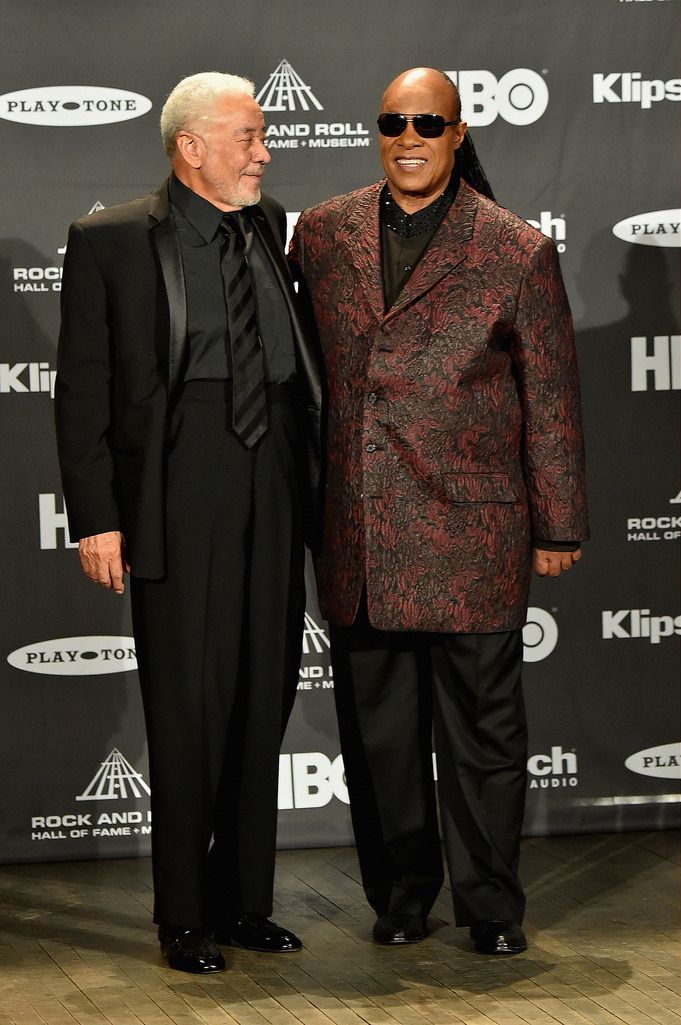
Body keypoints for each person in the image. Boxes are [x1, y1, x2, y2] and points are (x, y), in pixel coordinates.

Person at [289, 67, 588, 956]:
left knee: (483, 736)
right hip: (363, 528)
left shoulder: (513, 248)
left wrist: (559, 521)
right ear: (377, 131)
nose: (408, 136)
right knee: (379, 737)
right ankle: (402, 895)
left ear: (459, 134)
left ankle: (491, 904)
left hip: (473, 529)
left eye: (428, 122)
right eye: (392, 121)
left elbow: (551, 394)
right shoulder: (323, 231)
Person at [55, 72, 322, 974]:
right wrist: (97, 517)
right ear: (191, 146)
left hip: (275, 474)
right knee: (186, 708)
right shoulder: (113, 240)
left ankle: (245, 901)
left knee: (263, 693)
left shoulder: (270, 222)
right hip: (179, 484)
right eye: (248, 137)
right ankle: (183, 914)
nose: (264, 152)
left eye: (263, 137)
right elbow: (83, 389)